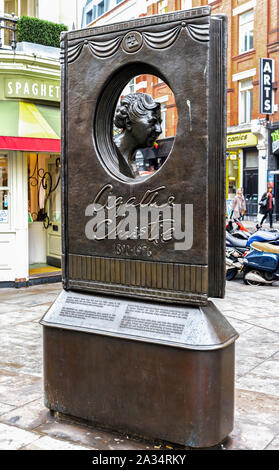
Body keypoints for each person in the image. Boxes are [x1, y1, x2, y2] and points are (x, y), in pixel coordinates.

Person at [114, 93, 162, 179]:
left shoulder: (131, 158)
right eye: (153, 122)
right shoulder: (111, 153)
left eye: (159, 123)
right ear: (128, 122)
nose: (159, 130)